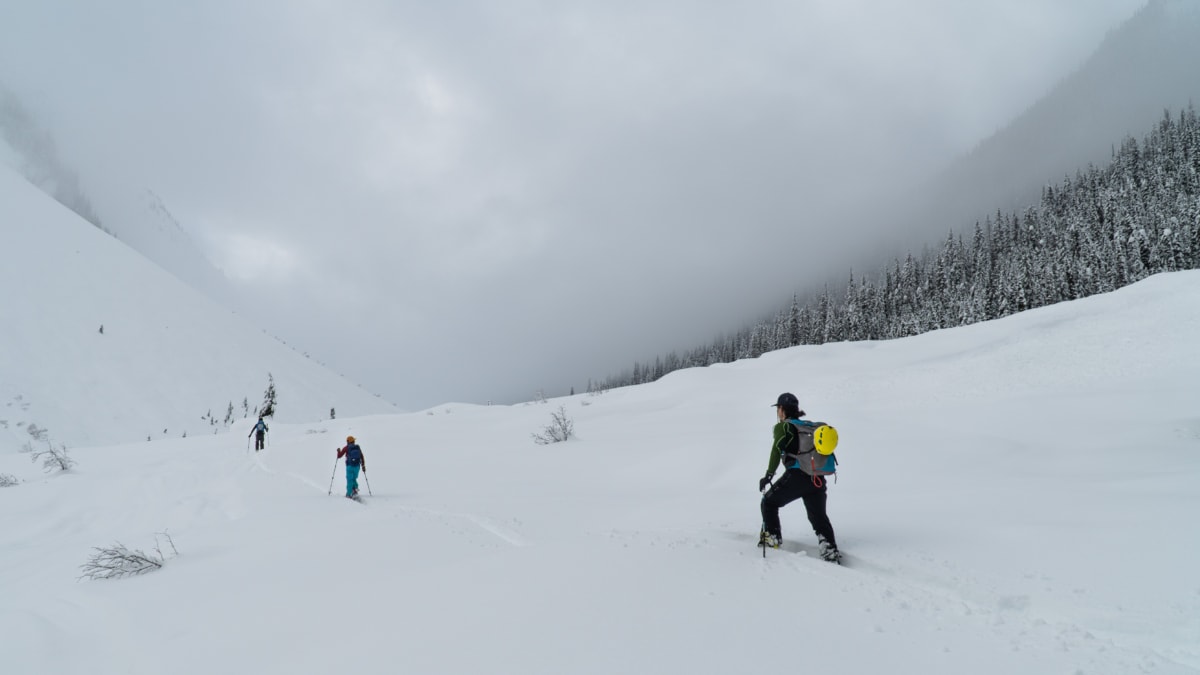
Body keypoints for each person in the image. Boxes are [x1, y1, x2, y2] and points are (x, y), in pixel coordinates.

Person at [758, 392, 841, 563]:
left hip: (798, 476)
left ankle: (772, 538)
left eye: (778, 409)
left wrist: (768, 475)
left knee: (769, 502)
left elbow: (776, 449)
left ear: (781, 409)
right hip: (817, 479)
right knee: (818, 517)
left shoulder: (784, 426)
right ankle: (829, 549)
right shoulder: (809, 426)